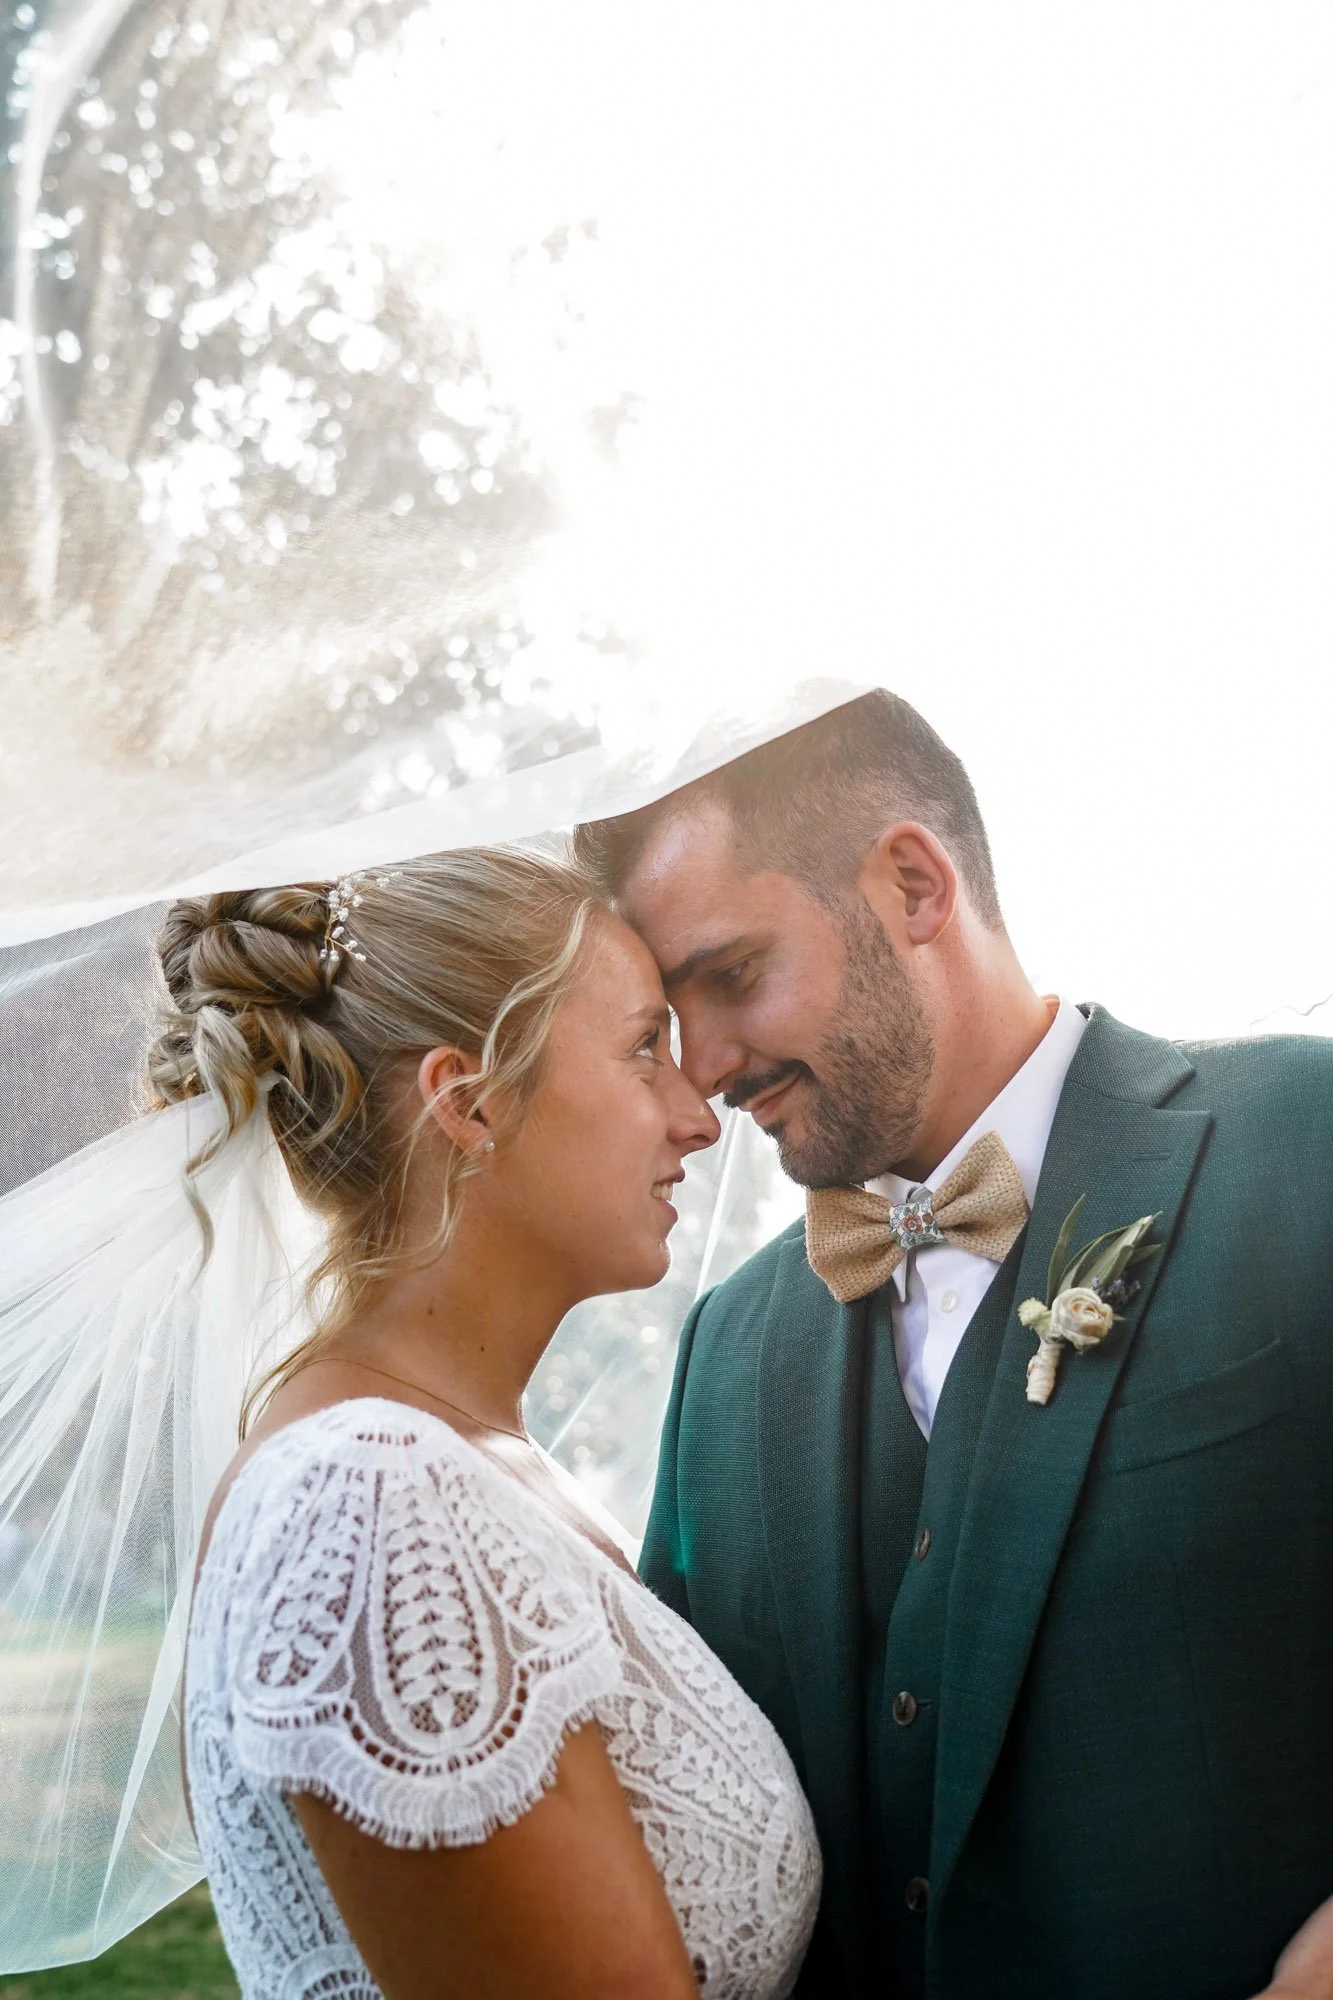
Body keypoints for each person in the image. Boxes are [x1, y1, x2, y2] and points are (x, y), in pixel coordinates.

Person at [573, 689, 1333, 2000]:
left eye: (732, 975)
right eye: (664, 1017)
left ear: (912, 883)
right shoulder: (729, 1350)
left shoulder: (1303, 1143)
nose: (699, 1069)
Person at [172, 848, 821, 1998]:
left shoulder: (470, 1463)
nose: (697, 1115)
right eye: (639, 1048)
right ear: (467, 1103)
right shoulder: (370, 1496)